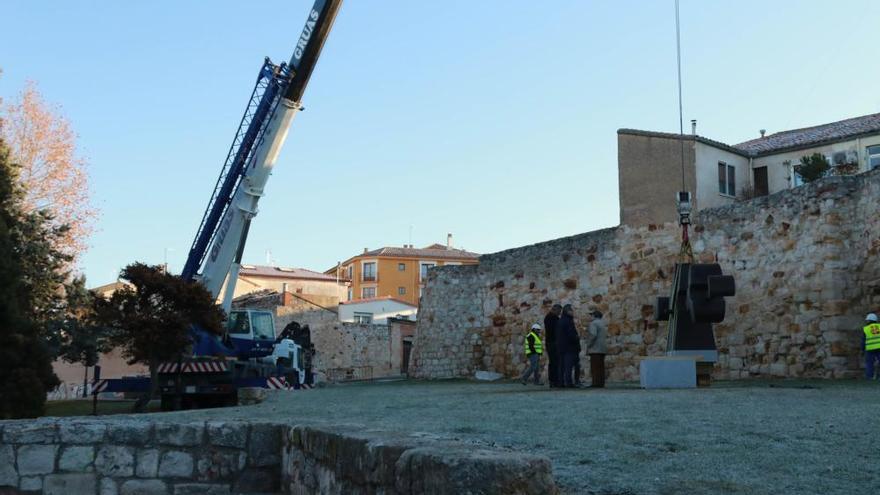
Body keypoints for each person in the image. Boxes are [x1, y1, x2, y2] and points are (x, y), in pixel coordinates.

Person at [556, 304, 581, 388]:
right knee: (568, 366)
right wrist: (577, 338)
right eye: (571, 310)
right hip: (569, 347)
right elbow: (571, 334)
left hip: (561, 347)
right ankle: (569, 382)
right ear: (568, 311)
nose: (573, 312)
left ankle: (561, 382)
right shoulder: (568, 321)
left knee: (562, 366)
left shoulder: (560, 320)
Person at [586, 310, 608, 388]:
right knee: (600, 367)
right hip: (602, 348)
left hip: (595, 348)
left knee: (595, 367)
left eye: (591, 315)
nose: (590, 317)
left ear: (594, 316)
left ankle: (595, 383)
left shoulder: (593, 323)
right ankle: (601, 383)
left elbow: (593, 334)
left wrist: (588, 344)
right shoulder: (602, 323)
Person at [544, 304, 562, 387]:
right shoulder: (551, 318)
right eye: (559, 311)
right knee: (554, 362)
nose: (559, 313)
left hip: (551, 342)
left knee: (554, 362)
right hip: (552, 343)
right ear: (555, 310)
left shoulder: (549, 318)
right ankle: (554, 380)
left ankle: (553, 380)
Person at [863, 313, 880, 380]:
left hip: (870, 349)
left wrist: (862, 349)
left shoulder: (866, 328)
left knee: (869, 364)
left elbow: (863, 340)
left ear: (869, 320)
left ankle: (869, 377)